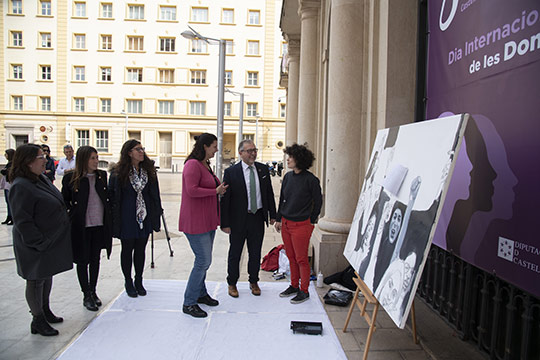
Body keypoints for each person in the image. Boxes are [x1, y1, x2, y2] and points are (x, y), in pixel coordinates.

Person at [8, 144, 72, 336]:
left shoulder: (40, 178)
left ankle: (45, 310)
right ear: (27, 162)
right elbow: (23, 221)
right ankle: (37, 319)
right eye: (40, 157)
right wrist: (39, 242)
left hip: (49, 241)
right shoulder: (20, 185)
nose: (45, 159)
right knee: (35, 280)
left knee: (46, 276)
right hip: (34, 244)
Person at [178, 133, 228, 318]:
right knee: (203, 261)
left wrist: (218, 190)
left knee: (203, 261)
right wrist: (214, 191)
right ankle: (189, 302)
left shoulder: (205, 164)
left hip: (207, 221)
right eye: (214, 146)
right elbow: (191, 190)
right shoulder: (192, 164)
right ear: (205, 146)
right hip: (195, 222)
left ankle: (200, 293)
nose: (217, 149)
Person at [220, 139, 276, 297]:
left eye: (254, 150)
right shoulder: (231, 172)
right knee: (235, 253)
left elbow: (268, 193)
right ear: (240, 153)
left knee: (255, 252)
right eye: (249, 151)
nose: (253, 153)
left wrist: (273, 214)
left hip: (257, 217)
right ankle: (232, 283)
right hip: (238, 220)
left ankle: (254, 281)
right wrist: (224, 223)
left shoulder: (263, 169)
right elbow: (226, 200)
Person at [109, 140, 162, 298]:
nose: (141, 152)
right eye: (138, 149)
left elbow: (155, 195)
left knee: (140, 249)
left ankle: (139, 279)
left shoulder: (148, 171)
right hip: (127, 216)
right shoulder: (119, 173)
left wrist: (156, 214)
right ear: (129, 152)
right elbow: (112, 197)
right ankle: (128, 280)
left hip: (144, 215)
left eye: (142, 149)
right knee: (127, 250)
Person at [62, 146, 112, 312]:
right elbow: (65, 201)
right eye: (92, 158)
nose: (96, 161)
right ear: (83, 159)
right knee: (82, 261)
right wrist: (72, 215)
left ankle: (93, 290)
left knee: (95, 259)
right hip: (81, 226)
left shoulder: (101, 176)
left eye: (97, 157)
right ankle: (86, 294)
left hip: (98, 224)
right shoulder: (71, 178)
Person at [274, 143, 322, 304]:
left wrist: (311, 220)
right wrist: (279, 218)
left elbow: (318, 201)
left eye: (291, 157)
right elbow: (282, 199)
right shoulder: (287, 177)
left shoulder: (311, 180)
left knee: (301, 259)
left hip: (302, 225)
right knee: (291, 257)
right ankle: (294, 285)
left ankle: (304, 290)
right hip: (286, 224)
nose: (288, 160)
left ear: (299, 159)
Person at [1, 149, 15, 225]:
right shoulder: (8, 163)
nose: (5, 156)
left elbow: (7, 172)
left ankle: (12, 217)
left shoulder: (13, 163)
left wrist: (4, 171)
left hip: (10, 184)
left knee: (10, 202)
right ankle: (9, 216)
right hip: (7, 184)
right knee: (7, 201)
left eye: (6, 154)